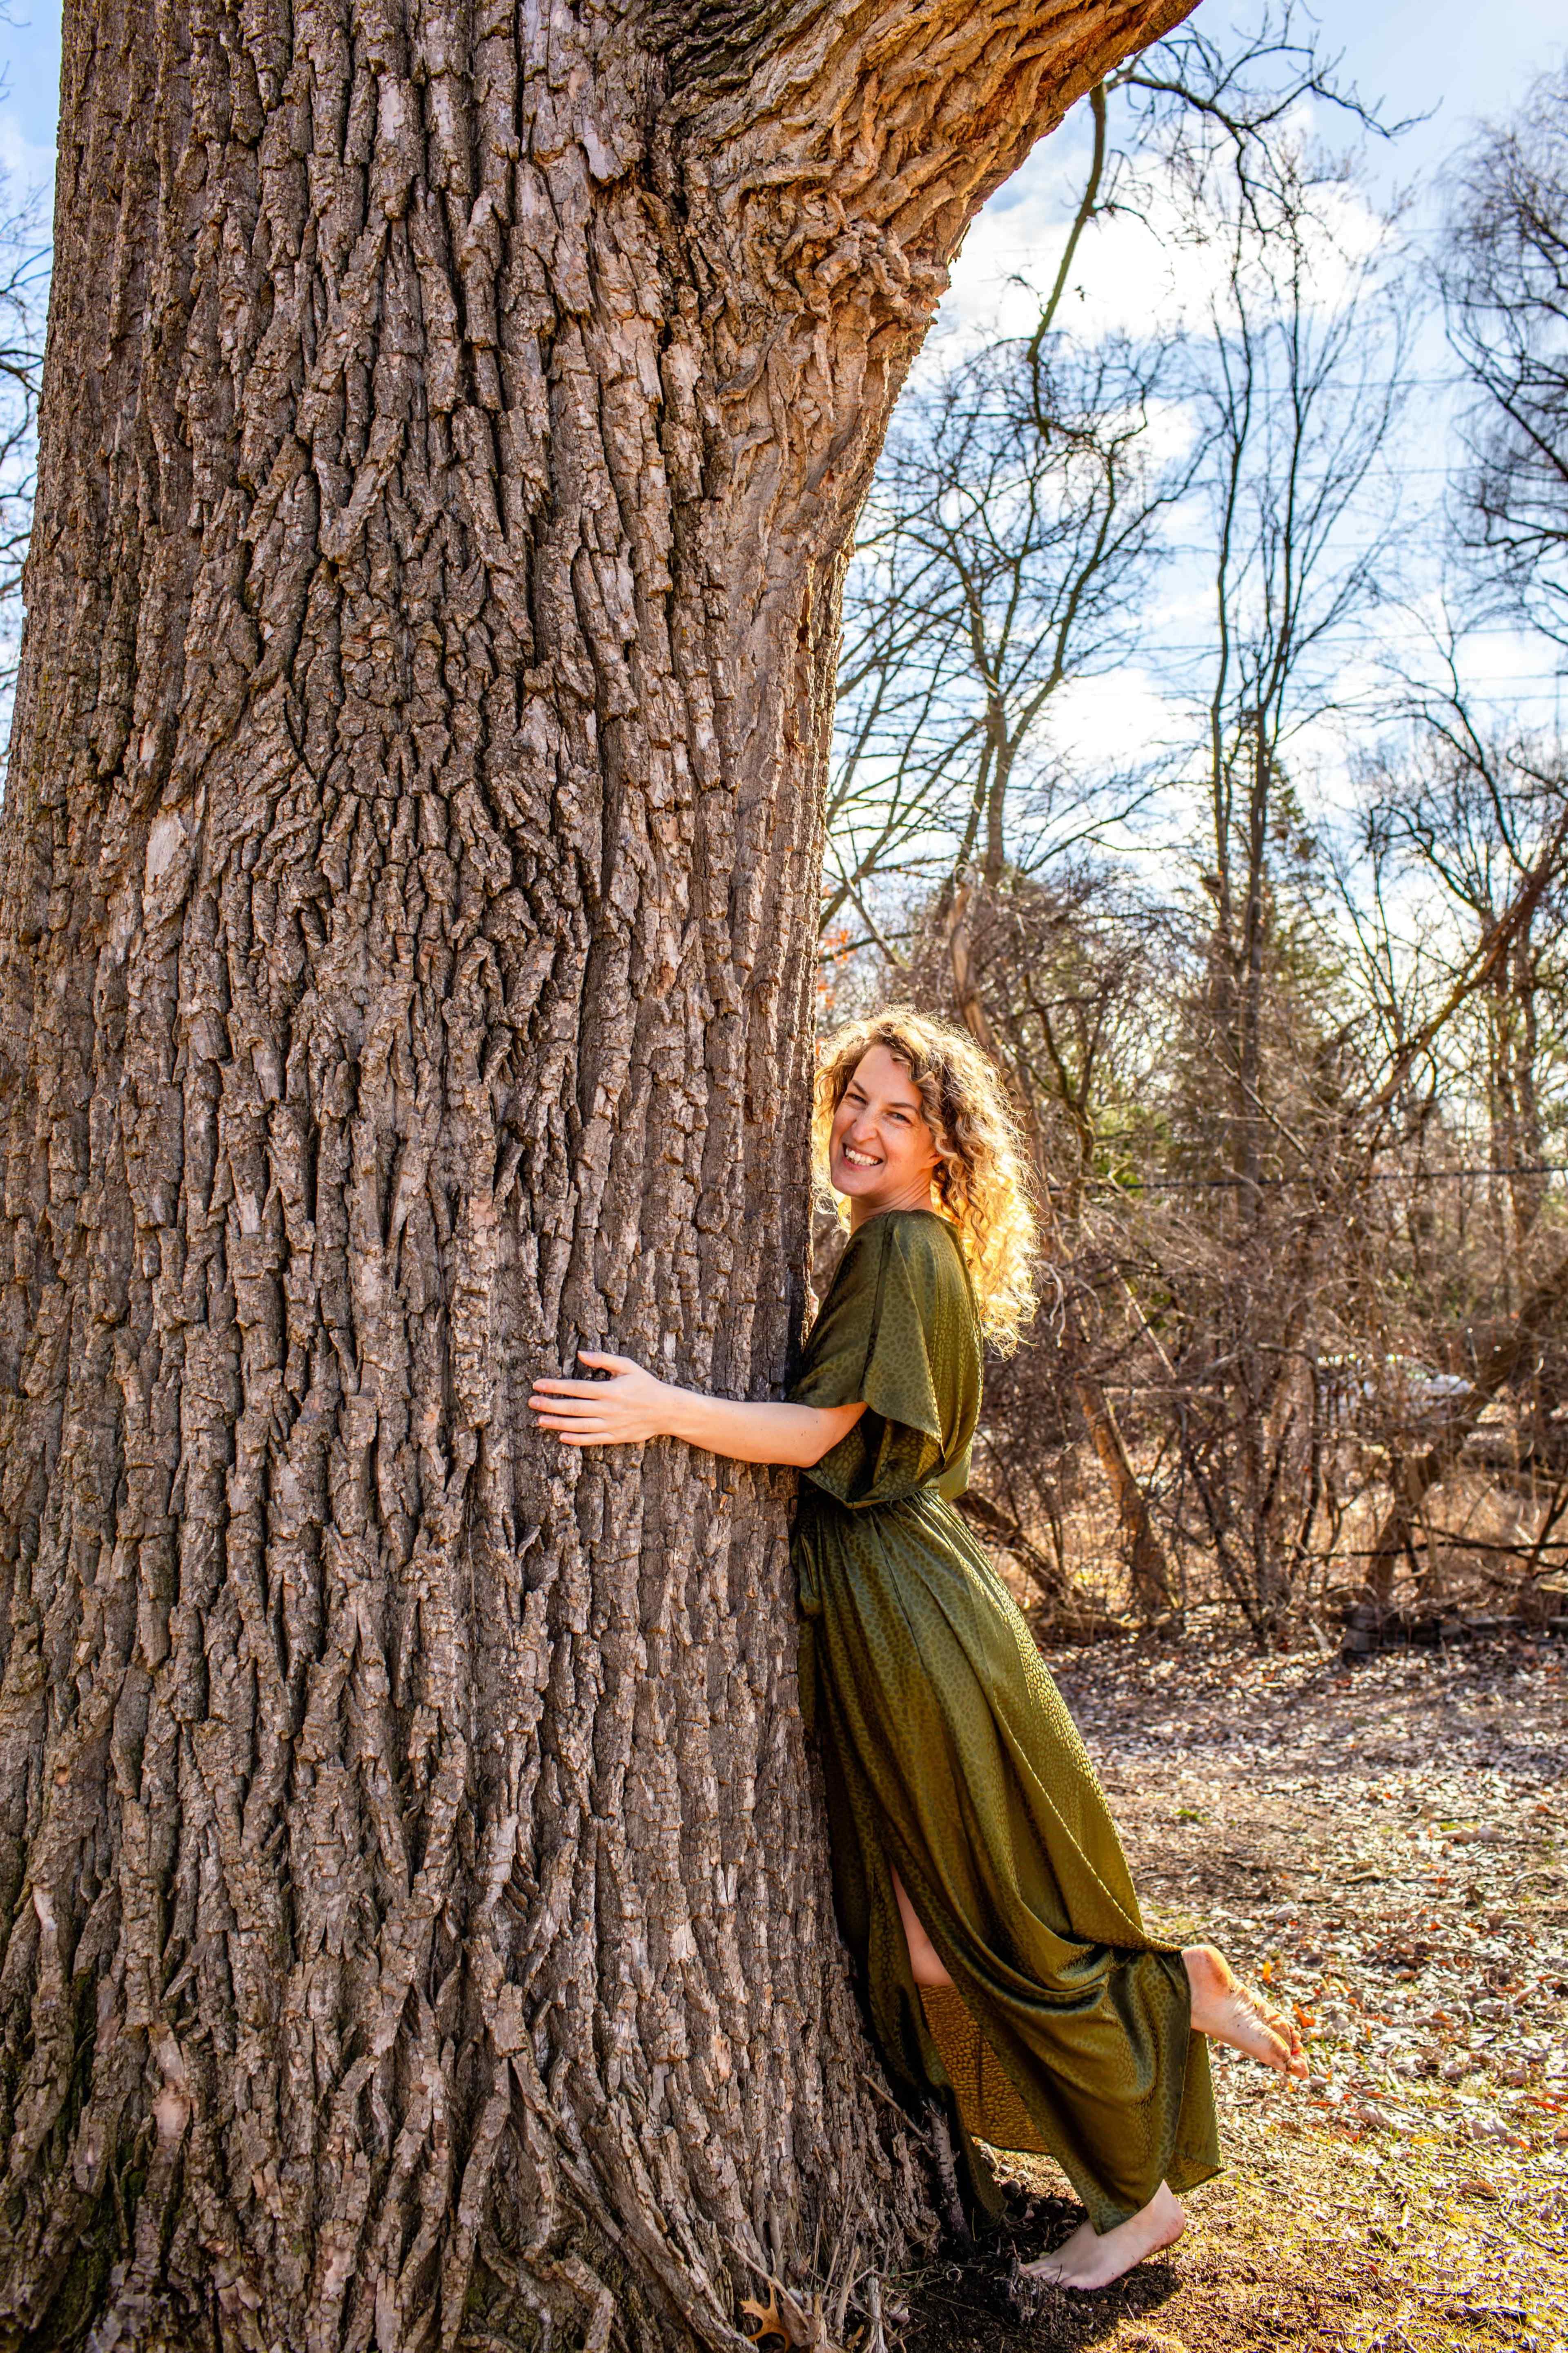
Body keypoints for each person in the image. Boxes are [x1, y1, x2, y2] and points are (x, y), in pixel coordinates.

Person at [529, 1008, 1305, 2293]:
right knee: (920, 1923)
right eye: (854, 1098)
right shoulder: (902, 1246)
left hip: (898, 1604)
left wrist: (659, 1408)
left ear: (944, 1150)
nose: (863, 1126)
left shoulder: (897, 1246)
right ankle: (1169, 1987)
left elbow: (828, 1432)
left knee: (965, 1915)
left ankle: (1140, 2193)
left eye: (899, 1113)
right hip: (904, 1591)